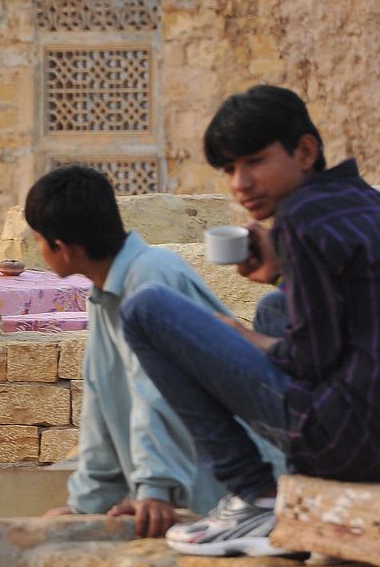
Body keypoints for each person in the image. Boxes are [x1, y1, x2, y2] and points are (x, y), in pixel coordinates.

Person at [120, 85, 380, 556]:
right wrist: (282, 272)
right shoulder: (359, 200)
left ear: (304, 151)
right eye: (230, 169)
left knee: (146, 311)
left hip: (347, 438)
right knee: (275, 308)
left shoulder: (300, 218)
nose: (240, 183)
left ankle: (254, 494)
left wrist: (241, 338)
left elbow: (310, 360)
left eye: (255, 162)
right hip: (368, 421)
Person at [24, 164, 282, 539]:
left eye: (39, 240)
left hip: (238, 488)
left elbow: (156, 391)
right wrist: (87, 506)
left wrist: (155, 487)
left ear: (62, 248)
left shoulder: (153, 277)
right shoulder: (105, 293)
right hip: (198, 494)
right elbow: (104, 406)